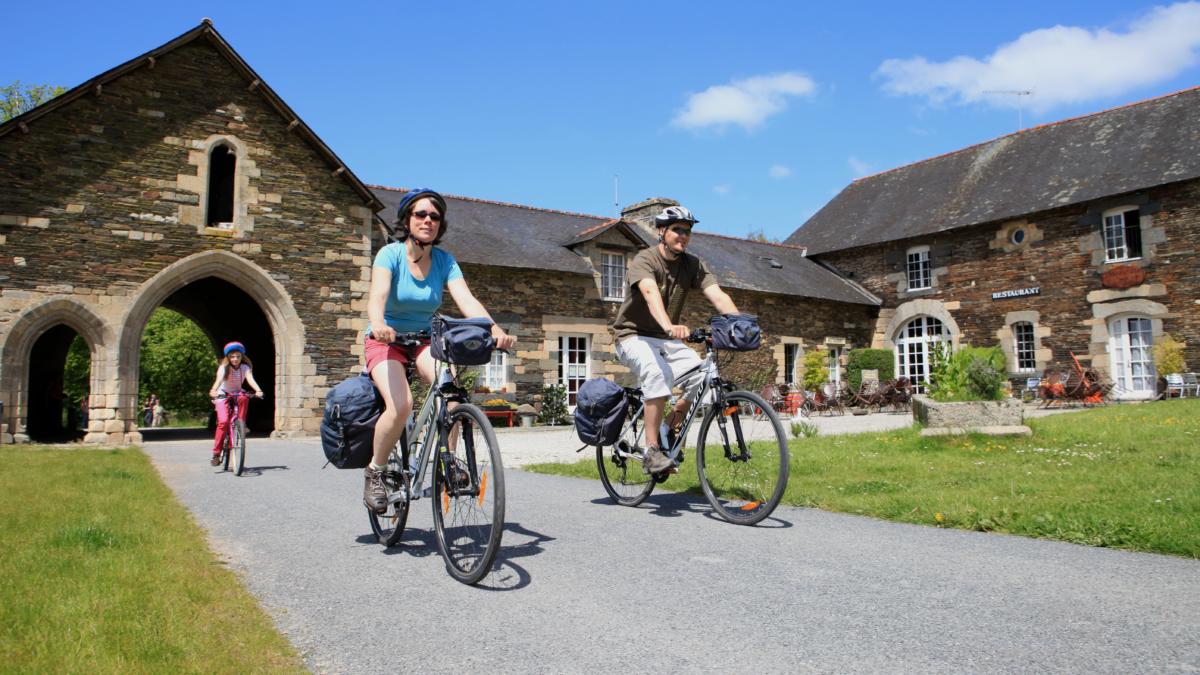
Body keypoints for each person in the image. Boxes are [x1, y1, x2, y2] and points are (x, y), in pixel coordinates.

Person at [362, 188, 516, 512]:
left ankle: (448, 462)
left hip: (423, 339)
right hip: (386, 339)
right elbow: (377, 296)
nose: (428, 220)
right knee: (401, 405)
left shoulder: (445, 261)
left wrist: (495, 329)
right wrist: (379, 323)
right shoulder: (389, 255)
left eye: (434, 216)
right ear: (407, 219)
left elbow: (467, 301)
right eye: (421, 214)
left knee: (452, 392)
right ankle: (375, 471)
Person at [611, 205, 741, 473]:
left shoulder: (692, 264)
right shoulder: (645, 260)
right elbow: (650, 292)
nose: (683, 236)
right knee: (657, 374)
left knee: (701, 375)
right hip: (631, 336)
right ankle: (651, 451)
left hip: (665, 339)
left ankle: (670, 427)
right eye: (677, 230)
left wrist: (740, 325)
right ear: (662, 232)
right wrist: (669, 325)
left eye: (687, 231)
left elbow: (717, 295)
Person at [207, 342, 264, 466]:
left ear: (241, 357)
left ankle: (241, 423)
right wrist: (213, 390)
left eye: (238, 356)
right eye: (232, 356)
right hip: (223, 393)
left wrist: (258, 390)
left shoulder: (245, 368)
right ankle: (216, 453)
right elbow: (219, 380)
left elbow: (250, 379)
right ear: (228, 357)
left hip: (237, 392)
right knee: (223, 422)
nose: (235, 359)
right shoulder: (224, 368)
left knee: (244, 397)